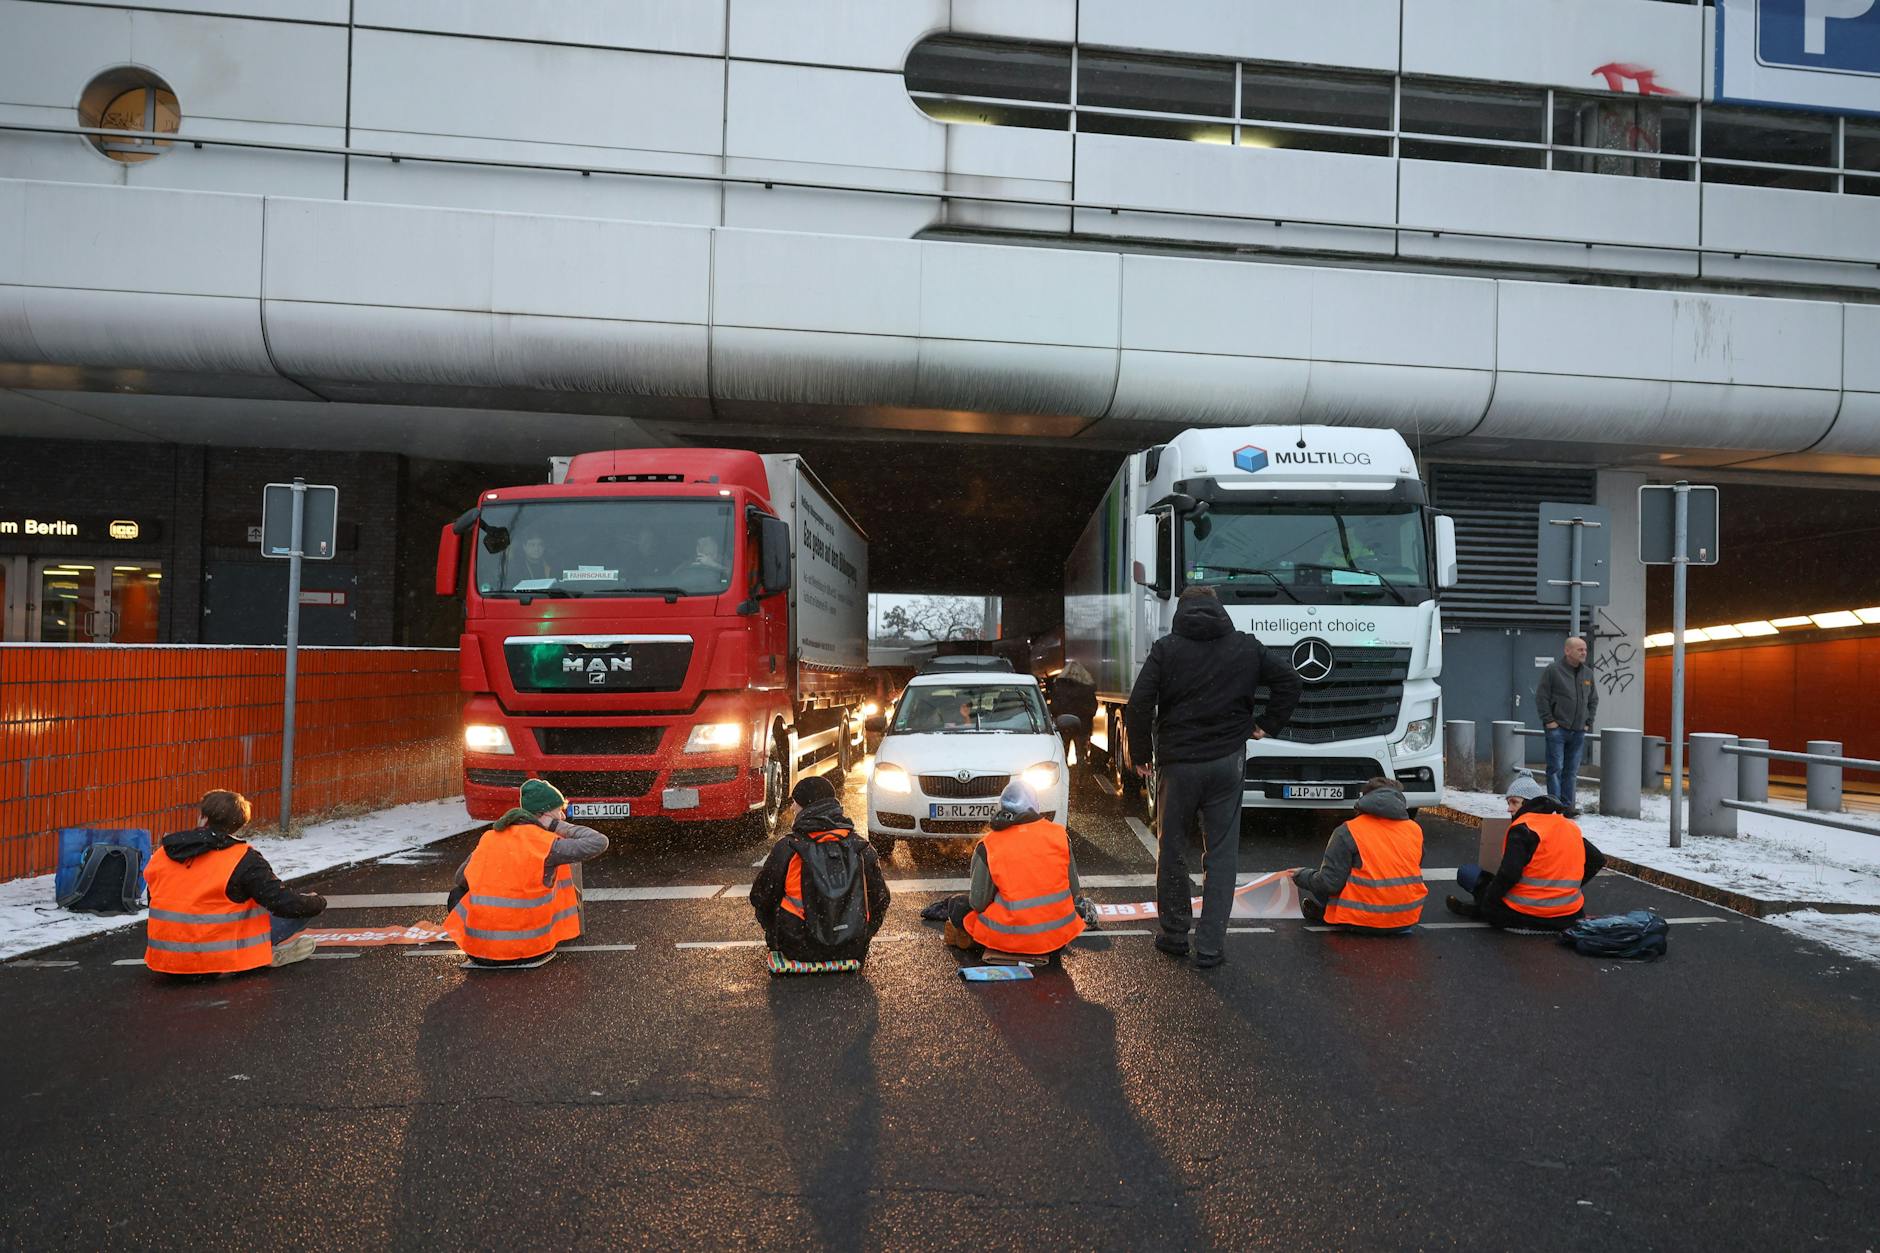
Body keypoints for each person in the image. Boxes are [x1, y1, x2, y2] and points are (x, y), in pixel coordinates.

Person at [1125, 585, 1303, 968]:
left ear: (1182, 610)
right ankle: (1209, 946)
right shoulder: (1245, 647)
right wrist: (1266, 725)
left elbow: (1138, 703)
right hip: (1226, 761)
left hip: (1179, 763)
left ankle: (1174, 936)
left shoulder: (1167, 648)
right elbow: (1290, 681)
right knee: (1221, 855)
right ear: (1219, 609)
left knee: (1172, 849)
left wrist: (1140, 754)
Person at [144, 790, 327, 976]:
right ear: (238, 826)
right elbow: (281, 902)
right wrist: (316, 903)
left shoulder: (163, 853)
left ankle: (257, 954)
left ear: (202, 818)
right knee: (293, 905)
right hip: (218, 958)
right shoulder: (244, 859)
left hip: (166, 959)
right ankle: (261, 953)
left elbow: (154, 898)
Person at [444, 779, 609, 967]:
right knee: (563, 891)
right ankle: (530, 944)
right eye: (558, 810)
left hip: (481, 954)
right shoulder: (547, 844)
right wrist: (555, 826)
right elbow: (598, 842)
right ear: (545, 814)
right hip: (530, 952)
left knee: (457, 893)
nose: (562, 816)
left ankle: (484, 944)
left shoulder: (490, 837)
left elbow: (461, 878)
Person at [750, 775, 890, 968]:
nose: (791, 808)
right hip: (852, 946)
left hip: (797, 947)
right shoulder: (861, 849)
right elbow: (881, 900)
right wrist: (862, 936)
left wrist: (775, 936)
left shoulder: (788, 848)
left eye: (795, 803)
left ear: (806, 807)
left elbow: (760, 898)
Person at [940, 780, 1086, 959]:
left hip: (1009, 940)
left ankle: (972, 938)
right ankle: (973, 939)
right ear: (1035, 806)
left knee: (957, 904)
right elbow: (1075, 891)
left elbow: (978, 903)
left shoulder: (988, 845)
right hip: (1057, 939)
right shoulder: (1059, 835)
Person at [1446, 775, 1606, 931]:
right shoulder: (1569, 827)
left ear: (1528, 803)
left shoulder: (1523, 829)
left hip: (1525, 914)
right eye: (1508, 803)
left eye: (1514, 802)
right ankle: (1480, 908)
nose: (1509, 808)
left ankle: (1477, 910)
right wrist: (1567, 889)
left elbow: (1509, 875)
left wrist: (1489, 904)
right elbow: (1597, 859)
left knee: (1468, 873)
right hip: (1568, 915)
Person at [1291, 777, 1427, 932]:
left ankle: (1328, 914)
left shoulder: (1348, 831)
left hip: (1361, 921)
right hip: (1405, 919)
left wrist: (1302, 875)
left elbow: (1329, 884)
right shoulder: (1414, 829)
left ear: (1365, 799)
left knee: (1325, 882)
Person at [1537, 636, 1598, 805]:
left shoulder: (1588, 674)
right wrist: (1549, 721)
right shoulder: (1553, 671)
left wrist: (1588, 723)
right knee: (1555, 769)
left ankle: (1568, 806)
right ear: (1567, 650)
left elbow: (1593, 700)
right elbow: (1542, 698)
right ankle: (1555, 805)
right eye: (1580, 649)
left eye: (1585, 649)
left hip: (1578, 731)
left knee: (1571, 771)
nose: (1584, 652)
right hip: (1557, 730)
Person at [1050, 661, 1098, 771]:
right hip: (1082, 727)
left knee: (1062, 754)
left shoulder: (1059, 687)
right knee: (1081, 754)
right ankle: (1080, 780)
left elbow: (1054, 708)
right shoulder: (1087, 689)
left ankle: (1064, 777)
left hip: (1064, 725)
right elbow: (1093, 709)